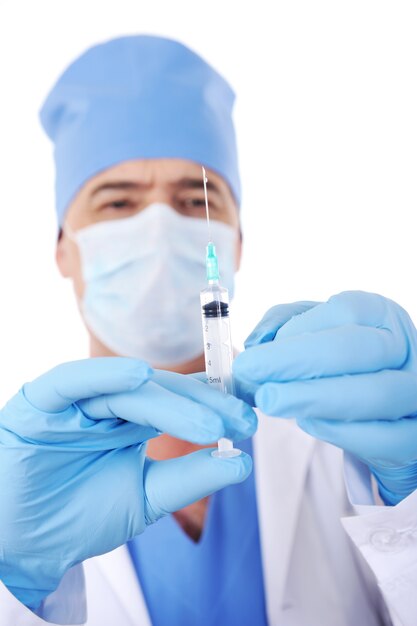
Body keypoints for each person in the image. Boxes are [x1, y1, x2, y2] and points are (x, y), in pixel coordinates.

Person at [1, 34, 417, 626]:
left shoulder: (344, 448)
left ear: (237, 243)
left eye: (195, 202)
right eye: (118, 203)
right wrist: (15, 580)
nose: (159, 230)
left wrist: (410, 504)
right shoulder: (19, 489)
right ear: (64, 250)